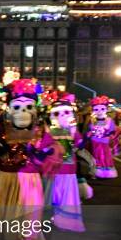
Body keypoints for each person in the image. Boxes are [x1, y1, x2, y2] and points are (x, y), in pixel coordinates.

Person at [0, 79, 63, 240]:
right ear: (9, 108)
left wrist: (44, 154)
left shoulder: (40, 129)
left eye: (28, 107)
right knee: (2, 212)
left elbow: (52, 148)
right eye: (17, 107)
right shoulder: (3, 127)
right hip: (5, 177)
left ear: (35, 109)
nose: (22, 113)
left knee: (29, 212)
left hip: (29, 178)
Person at [44, 93, 87, 232]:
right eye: (59, 112)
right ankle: (55, 217)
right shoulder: (50, 131)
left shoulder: (73, 131)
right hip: (54, 169)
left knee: (66, 196)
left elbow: (80, 144)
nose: (62, 115)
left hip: (68, 169)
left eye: (66, 112)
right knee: (54, 195)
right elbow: (43, 147)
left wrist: (83, 139)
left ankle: (65, 219)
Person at [86, 96, 118, 179]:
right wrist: (90, 133)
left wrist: (108, 135)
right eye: (96, 109)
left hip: (104, 141)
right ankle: (94, 172)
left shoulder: (109, 120)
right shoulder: (92, 120)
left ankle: (105, 172)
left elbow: (112, 131)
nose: (99, 111)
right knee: (94, 157)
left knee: (104, 156)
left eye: (102, 109)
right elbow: (89, 130)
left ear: (106, 109)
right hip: (94, 142)